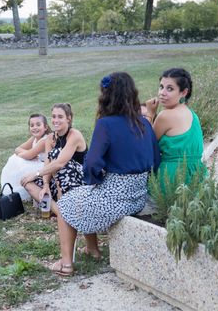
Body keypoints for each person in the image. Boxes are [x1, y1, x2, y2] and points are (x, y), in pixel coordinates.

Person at [50, 73, 161, 276]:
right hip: (139, 195)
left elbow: (92, 163)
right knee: (82, 196)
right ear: (132, 95)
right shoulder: (144, 123)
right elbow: (155, 159)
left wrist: (94, 180)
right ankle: (92, 249)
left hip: (116, 196)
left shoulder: (106, 124)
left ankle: (66, 263)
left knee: (66, 203)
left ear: (106, 96)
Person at [142, 67, 206, 193]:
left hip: (172, 179)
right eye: (161, 87)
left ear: (183, 92)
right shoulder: (192, 114)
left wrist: (150, 114)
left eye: (169, 89)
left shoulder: (165, 116)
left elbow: (145, 144)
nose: (162, 93)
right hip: (197, 176)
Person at [20, 103, 87, 215]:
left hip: (79, 182)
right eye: (54, 116)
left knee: (57, 157)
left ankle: (64, 210)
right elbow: (48, 163)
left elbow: (59, 163)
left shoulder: (74, 135)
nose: (56, 120)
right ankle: (59, 212)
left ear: (68, 119)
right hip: (59, 180)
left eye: (60, 117)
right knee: (27, 182)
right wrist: (45, 184)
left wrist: (36, 173)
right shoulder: (50, 138)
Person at [0, 113, 50, 201]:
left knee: (19, 162)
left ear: (45, 127)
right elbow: (17, 149)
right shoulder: (34, 138)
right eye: (32, 125)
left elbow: (28, 155)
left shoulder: (44, 141)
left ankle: (30, 191)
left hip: (44, 168)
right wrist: (26, 154)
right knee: (14, 159)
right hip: (37, 164)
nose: (35, 127)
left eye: (38, 124)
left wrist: (27, 154)